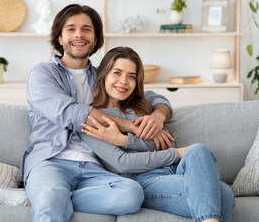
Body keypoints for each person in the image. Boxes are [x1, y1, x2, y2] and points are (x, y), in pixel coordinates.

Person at [0, 4, 174, 222]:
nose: (79, 34)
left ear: (96, 39)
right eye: (71, 29)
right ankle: (45, 196)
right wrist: (131, 127)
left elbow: (150, 96)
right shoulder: (43, 74)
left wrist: (158, 117)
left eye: (87, 29)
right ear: (60, 38)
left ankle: (33, 197)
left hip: (96, 166)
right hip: (51, 161)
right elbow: (70, 113)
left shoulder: (103, 76)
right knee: (51, 197)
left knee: (131, 194)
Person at [77, 46, 235, 222]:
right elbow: (123, 163)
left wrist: (123, 140)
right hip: (142, 181)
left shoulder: (142, 107)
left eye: (131, 76)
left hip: (173, 171)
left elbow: (165, 143)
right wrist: (176, 153)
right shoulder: (92, 118)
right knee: (223, 194)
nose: (123, 81)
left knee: (198, 150)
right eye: (117, 73)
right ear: (104, 74)